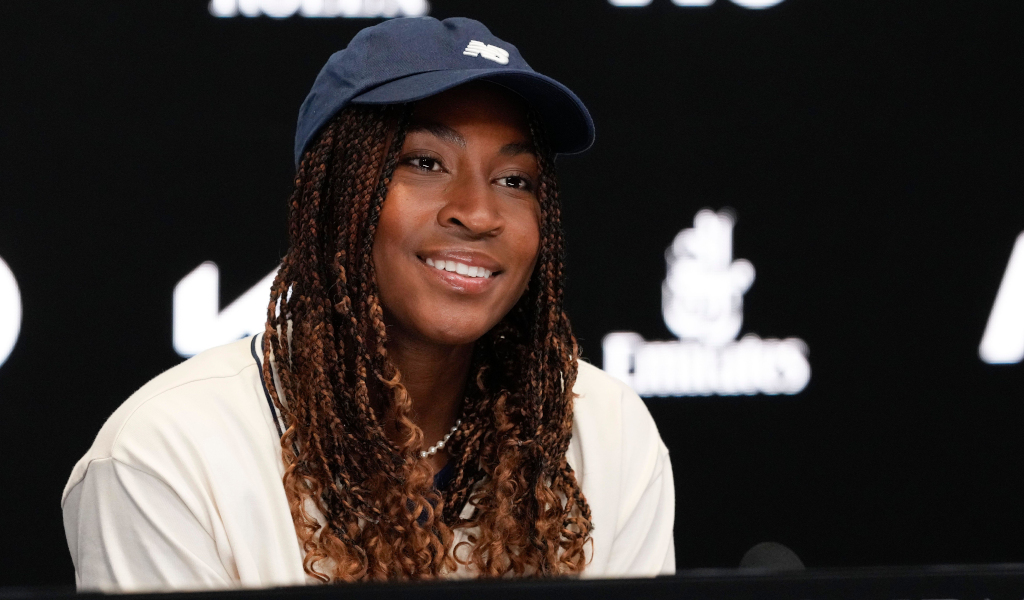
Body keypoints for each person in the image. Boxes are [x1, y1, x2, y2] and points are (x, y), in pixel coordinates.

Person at [62, 17, 674, 591]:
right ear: (333, 198)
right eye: (425, 162)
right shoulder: (167, 453)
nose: (480, 213)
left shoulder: (607, 430)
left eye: (515, 180)